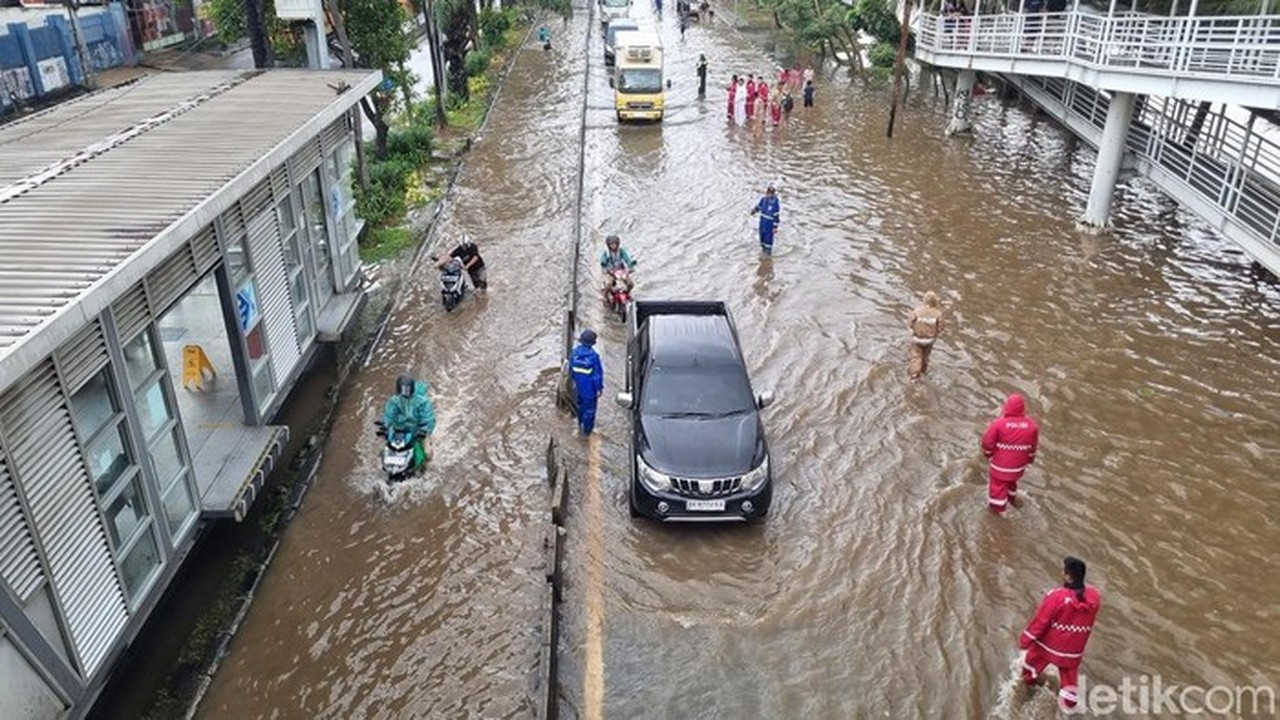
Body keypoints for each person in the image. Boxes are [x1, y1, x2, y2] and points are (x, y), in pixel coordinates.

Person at [1020, 557, 1102, 710]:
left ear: (1067, 575)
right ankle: (1069, 706)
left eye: (1063, 570)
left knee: (1030, 666)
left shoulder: (1056, 596)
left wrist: (1025, 640)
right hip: (1073, 651)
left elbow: (1040, 622)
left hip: (1048, 647)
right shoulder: (1094, 597)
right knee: (1069, 680)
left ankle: (1028, 688)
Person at [980, 393, 1039, 513]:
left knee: (997, 488)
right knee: (1011, 482)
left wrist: (988, 454)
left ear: (1006, 407)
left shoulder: (998, 424)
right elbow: (1033, 447)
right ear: (1023, 408)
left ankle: (997, 513)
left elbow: (987, 442)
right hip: (1018, 468)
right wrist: (1029, 459)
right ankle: (1012, 499)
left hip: (1000, 467)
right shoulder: (1032, 426)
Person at [382, 374, 437, 469]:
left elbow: (428, 418)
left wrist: (424, 430)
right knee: (385, 449)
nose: (405, 392)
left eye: (407, 389)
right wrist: (384, 426)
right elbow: (389, 415)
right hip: (399, 430)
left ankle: (426, 468)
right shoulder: (394, 400)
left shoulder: (422, 402)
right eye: (403, 389)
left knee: (427, 454)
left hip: (417, 429)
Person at [570, 329, 604, 435]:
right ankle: (587, 432)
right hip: (589, 391)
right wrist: (599, 388)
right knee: (589, 411)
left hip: (577, 388)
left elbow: (571, 371)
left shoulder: (574, 353)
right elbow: (597, 376)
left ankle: (580, 425)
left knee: (580, 406)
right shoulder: (593, 357)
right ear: (593, 342)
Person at [907, 290, 943, 378]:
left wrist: (912, 331)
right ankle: (923, 371)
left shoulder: (917, 311)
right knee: (925, 356)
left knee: (916, 356)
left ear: (924, 300)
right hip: (929, 340)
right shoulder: (937, 314)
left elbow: (910, 323)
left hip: (917, 339)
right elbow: (940, 328)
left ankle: (914, 375)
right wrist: (935, 334)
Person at [750, 185, 781, 255]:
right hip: (762, 222)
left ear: (773, 194)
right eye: (767, 193)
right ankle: (763, 253)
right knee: (762, 238)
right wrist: (753, 211)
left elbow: (776, 216)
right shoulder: (763, 199)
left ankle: (768, 256)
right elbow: (759, 207)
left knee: (768, 240)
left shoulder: (775, 203)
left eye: (770, 193)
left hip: (769, 224)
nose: (768, 194)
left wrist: (775, 227)